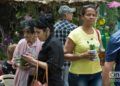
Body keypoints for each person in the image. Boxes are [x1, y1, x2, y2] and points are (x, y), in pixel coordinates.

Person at [64, 5, 103, 86]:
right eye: (88, 15)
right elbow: (65, 55)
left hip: (97, 74)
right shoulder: (74, 33)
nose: (91, 17)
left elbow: (100, 50)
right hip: (79, 75)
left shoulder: (97, 32)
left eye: (94, 15)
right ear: (82, 17)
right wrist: (82, 56)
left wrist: (102, 54)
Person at [22, 14, 64, 86]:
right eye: (35, 32)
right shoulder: (49, 42)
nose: (36, 35)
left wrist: (32, 60)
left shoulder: (53, 43)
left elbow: (51, 66)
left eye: (38, 32)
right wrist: (32, 62)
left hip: (52, 82)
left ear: (47, 30)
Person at [12, 20, 42, 86]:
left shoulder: (41, 45)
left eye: (28, 33)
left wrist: (32, 63)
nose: (25, 35)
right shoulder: (21, 43)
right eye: (24, 32)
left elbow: (43, 64)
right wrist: (21, 64)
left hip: (35, 78)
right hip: (21, 76)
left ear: (34, 33)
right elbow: (14, 59)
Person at [54, 5, 77, 86]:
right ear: (65, 15)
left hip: (57, 61)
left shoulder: (54, 27)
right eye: (71, 13)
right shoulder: (74, 28)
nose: (72, 14)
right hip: (69, 61)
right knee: (68, 82)